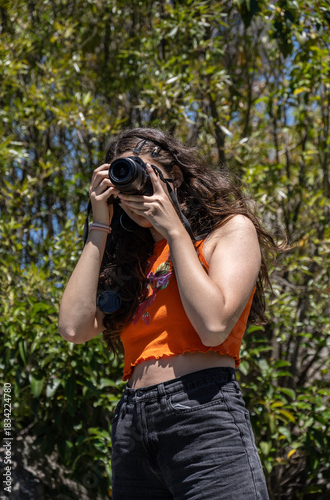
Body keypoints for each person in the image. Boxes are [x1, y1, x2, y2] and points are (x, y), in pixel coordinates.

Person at [59, 128, 274, 499]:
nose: (134, 197)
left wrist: (174, 229)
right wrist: (100, 224)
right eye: (123, 188)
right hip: (131, 422)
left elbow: (213, 325)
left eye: (145, 180)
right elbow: (73, 327)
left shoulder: (230, 231)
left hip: (203, 411)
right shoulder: (134, 261)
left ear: (174, 176)